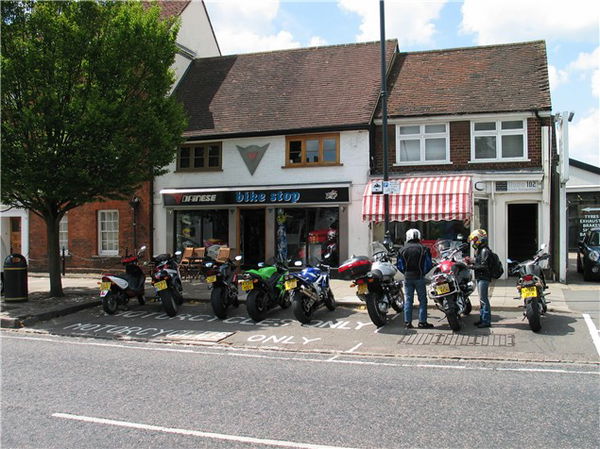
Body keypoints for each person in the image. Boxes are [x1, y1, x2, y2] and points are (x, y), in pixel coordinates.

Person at [397, 229, 433, 329]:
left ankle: (407, 322)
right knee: (422, 300)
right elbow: (428, 264)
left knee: (408, 300)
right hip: (419, 277)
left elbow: (399, 265)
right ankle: (422, 322)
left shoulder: (402, 250)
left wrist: (405, 272)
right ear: (418, 236)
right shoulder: (423, 248)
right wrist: (423, 272)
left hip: (408, 277)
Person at [467, 229, 492, 328]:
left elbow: (483, 266)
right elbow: (479, 261)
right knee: (481, 299)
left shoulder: (485, 250)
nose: (473, 242)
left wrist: (471, 267)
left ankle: (486, 321)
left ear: (480, 239)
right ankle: (482, 318)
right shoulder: (480, 250)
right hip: (480, 276)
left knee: (484, 299)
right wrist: (471, 261)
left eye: (475, 240)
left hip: (483, 277)